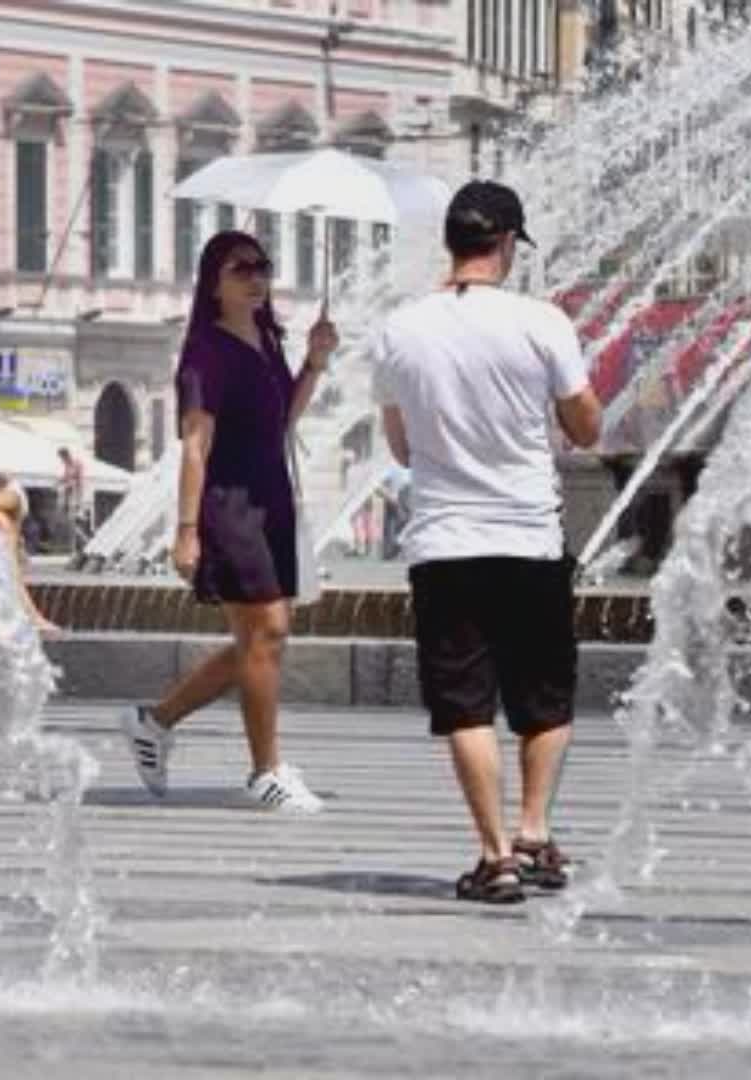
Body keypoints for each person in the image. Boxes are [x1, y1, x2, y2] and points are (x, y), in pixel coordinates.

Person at [371, 180, 603, 903]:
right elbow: (587, 427)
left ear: (451, 244)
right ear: (506, 244)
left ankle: (495, 853)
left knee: (465, 705)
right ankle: (535, 830)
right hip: (529, 538)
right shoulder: (543, 322)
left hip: (444, 543)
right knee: (544, 698)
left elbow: (402, 447)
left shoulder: (399, 329)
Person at [120, 230, 339, 814]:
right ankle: (265, 771)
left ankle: (155, 721)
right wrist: (186, 531)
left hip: (272, 499)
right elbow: (195, 445)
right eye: (241, 268)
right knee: (266, 632)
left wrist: (314, 364)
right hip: (231, 505)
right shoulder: (206, 351)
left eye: (262, 267)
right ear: (214, 282)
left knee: (260, 638)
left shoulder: (266, 341)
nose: (256, 277)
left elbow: (281, 420)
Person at [0, 471, 59, 635]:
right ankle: (33, 620)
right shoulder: (2, 494)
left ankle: (34, 619)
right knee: (7, 579)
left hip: (6, 535)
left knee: (10, 579)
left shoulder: (10, 496)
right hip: (5, 537)